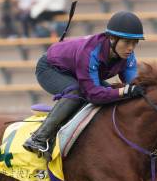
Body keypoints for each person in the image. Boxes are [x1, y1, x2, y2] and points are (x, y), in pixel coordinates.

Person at [23, 11, 146, 158]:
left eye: (135, 43)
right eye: (127, 42)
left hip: (78, 70)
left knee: (112, 91)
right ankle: (38, 138)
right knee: (77, 92)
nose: (131, 48)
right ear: (112, 39)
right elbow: (94, 94)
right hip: (51, 68)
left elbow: (134, 84)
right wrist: (124, 92)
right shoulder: (91, 52)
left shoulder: (128, 56)